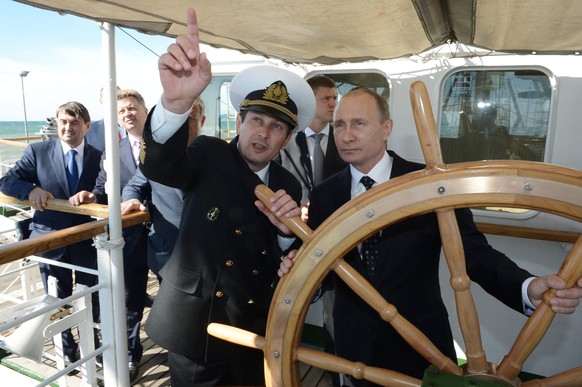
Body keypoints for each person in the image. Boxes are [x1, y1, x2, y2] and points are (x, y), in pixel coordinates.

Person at [278, 87, 582, 385]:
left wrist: (528, 287)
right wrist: (295, 267)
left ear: (387, 129)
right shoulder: (325, 194)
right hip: (351, 342)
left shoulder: (432, 186)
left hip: (421, 343)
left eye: (359, 123)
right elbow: (320, 267)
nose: (346, 135)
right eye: (340, 125)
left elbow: (475, 255)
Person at [137, 9, 314, 386]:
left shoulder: (288, 184)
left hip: (253, 323)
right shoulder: (208, 153)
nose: (263, 133)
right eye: (256, 121)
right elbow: (161, 166)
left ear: (285, 139)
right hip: (196, 321)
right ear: (239, 123)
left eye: (276, 126)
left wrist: (286, 233)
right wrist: (175, 105)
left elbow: (284, 256)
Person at [0, 101, 102, 364]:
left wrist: (94, 196)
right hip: (50, 237)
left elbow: (107, 188)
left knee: (90, 295)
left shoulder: (99, 155)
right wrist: (30, 190)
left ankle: (95, 345)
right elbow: (7, 180)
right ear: (57, 125)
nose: (68, 127)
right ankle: (67, 352)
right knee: (56, 299)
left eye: (75, 122)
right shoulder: (38, 151)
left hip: (87, 238)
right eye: (63, 122)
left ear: (87, 126)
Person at [70, 89, 149, 381]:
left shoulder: (165, 146)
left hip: (167, 237)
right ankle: (129, 354)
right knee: (129, 299)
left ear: (144, 110)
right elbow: (104, 186)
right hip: (130, 238)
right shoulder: (113, 151)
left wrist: (144, 204)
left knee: (178, 295)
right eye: (121, 111)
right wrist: (92, 195)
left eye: (132, 107)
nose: (127, 113)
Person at [120, 97, 206, 279]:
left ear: (202, 121)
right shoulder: (155, 159)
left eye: (189, 119)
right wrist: (132, 200)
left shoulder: (217, 156)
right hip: (167, 253)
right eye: (178, 120)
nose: (182, 126)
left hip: (208, 255)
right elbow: (134, 186)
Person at [278, 74, 346, 221]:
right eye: (326, 99)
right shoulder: (287, 140)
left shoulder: (344, 139)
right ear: (310, 101)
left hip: (337, 220)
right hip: (295, 219)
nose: (333, 104)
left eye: (335, 98)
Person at [85, 86, 126, 152]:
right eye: (108, 98)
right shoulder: (88, 131)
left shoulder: (135, 128)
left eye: (117, 97)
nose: (113, 101)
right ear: (101, 101)